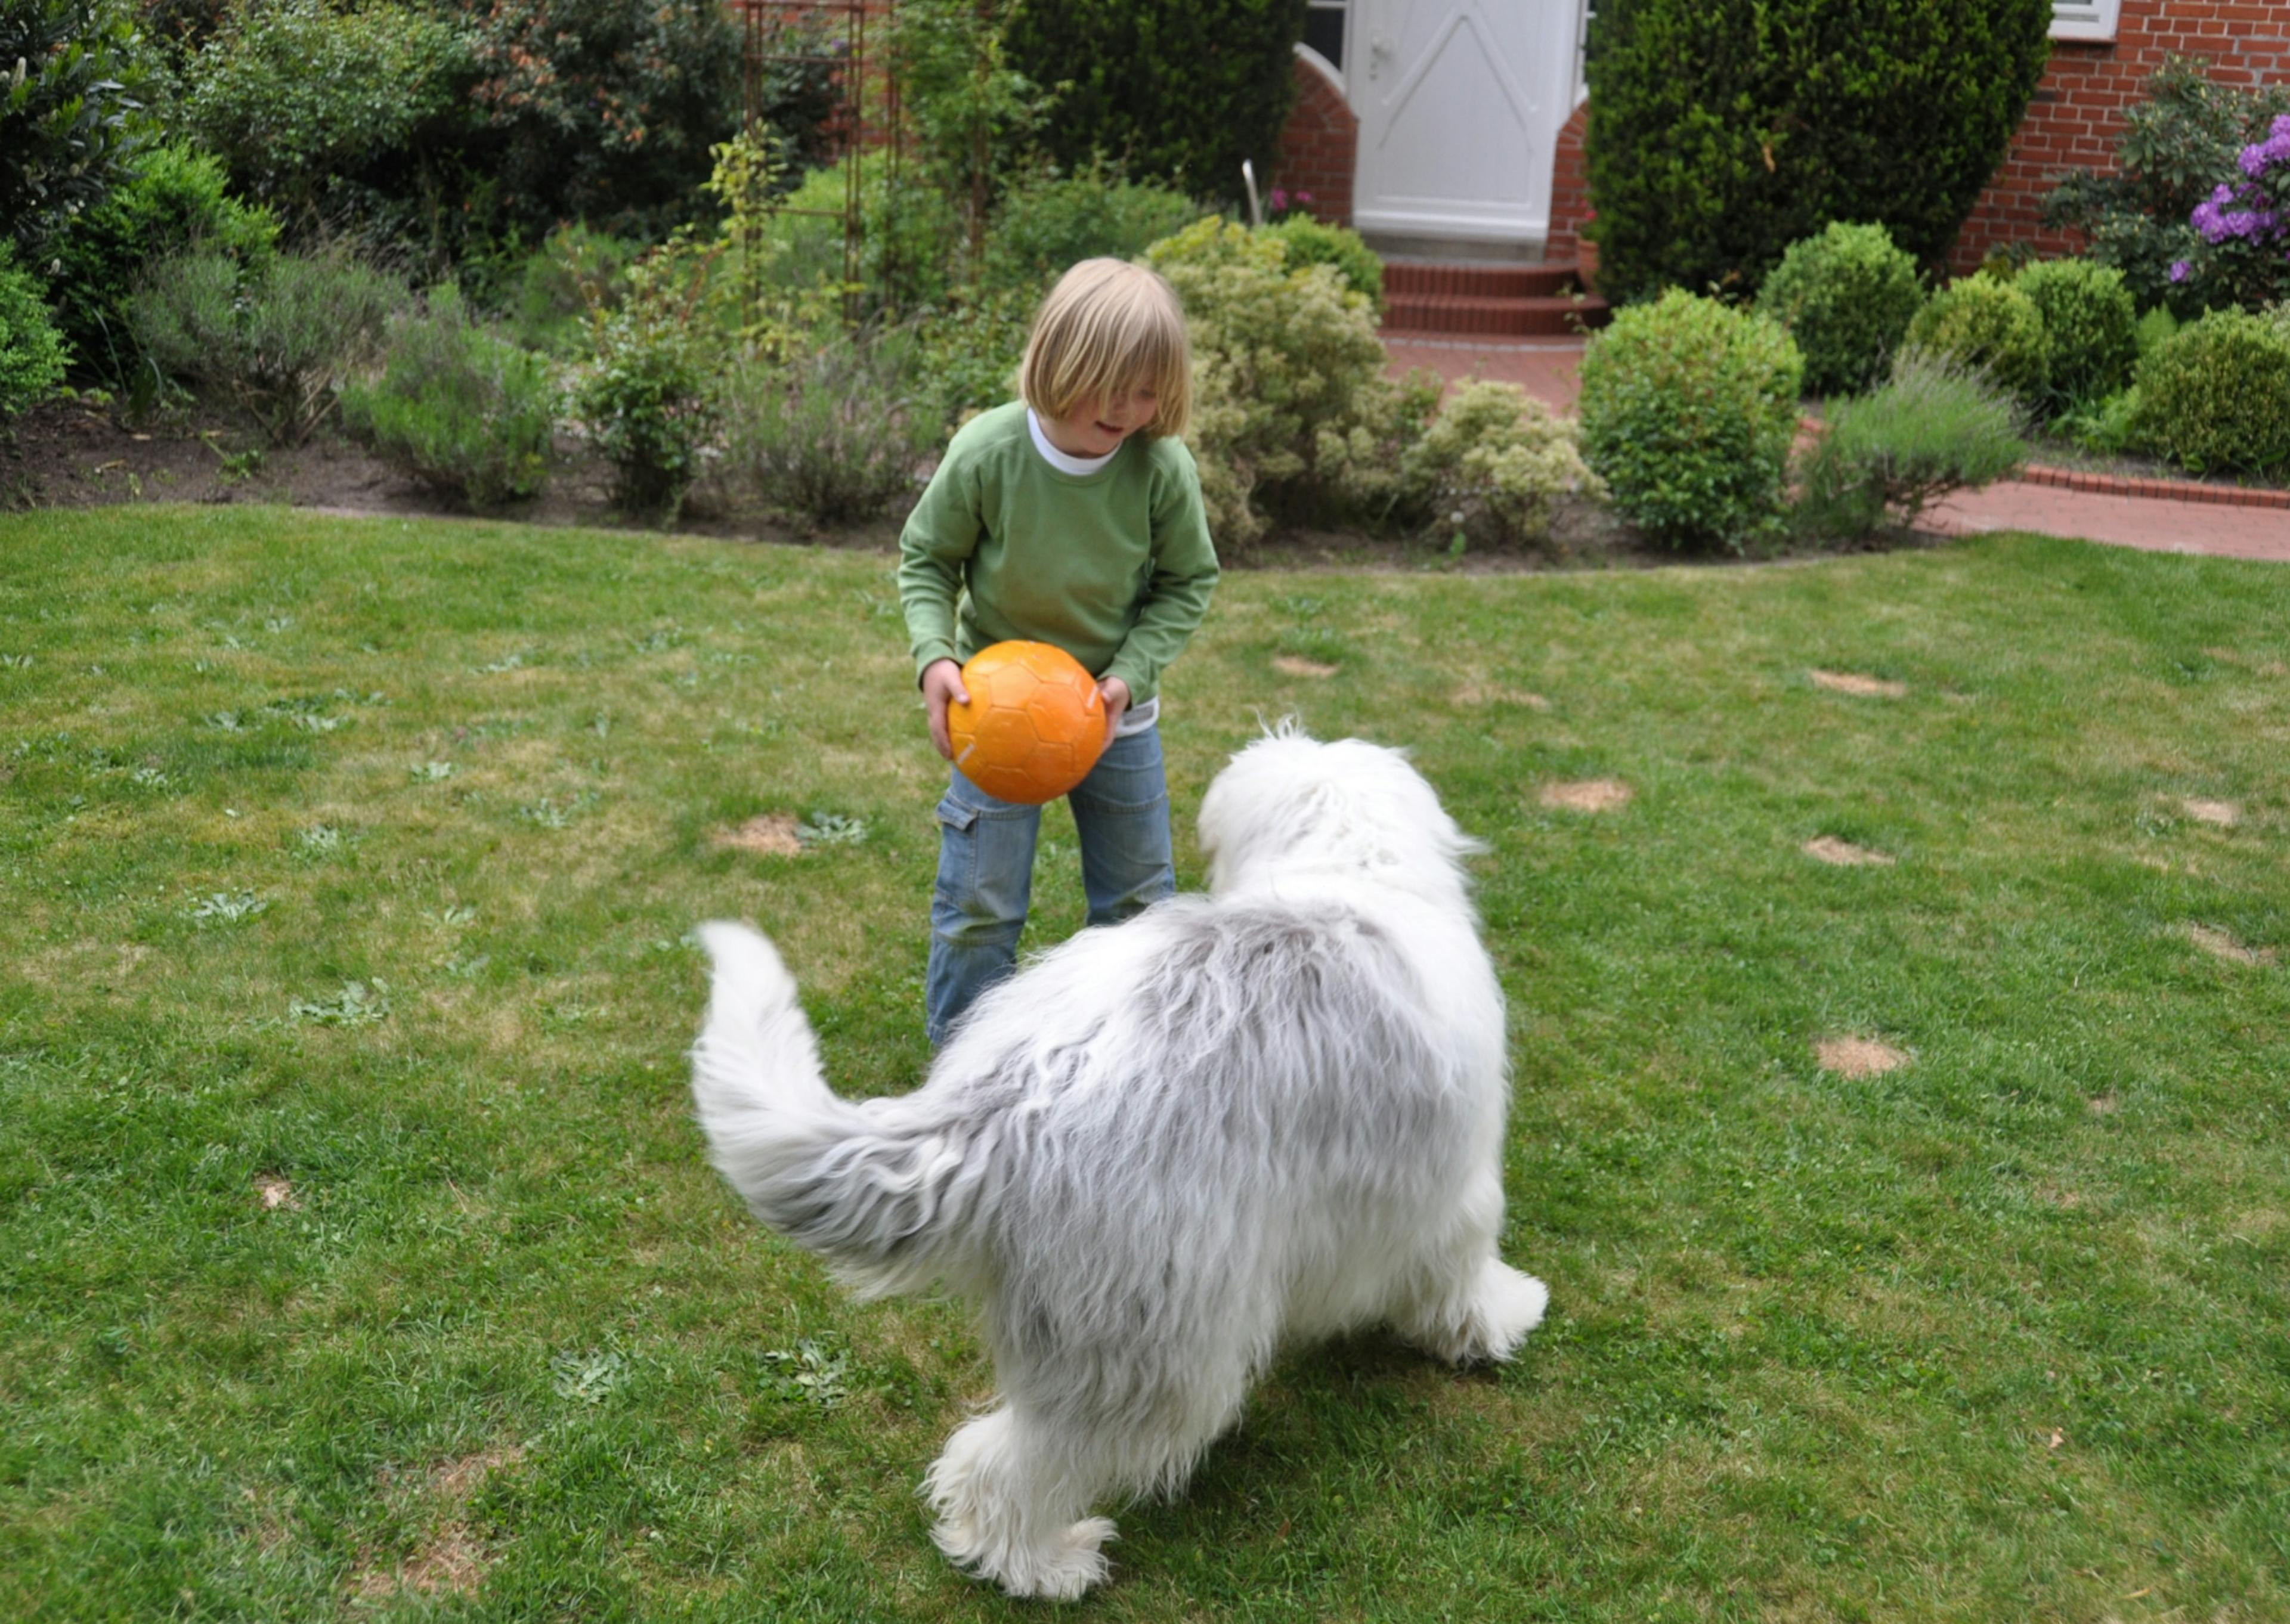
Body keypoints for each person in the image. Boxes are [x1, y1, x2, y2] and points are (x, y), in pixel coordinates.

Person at [898, 257, 1219, 1045]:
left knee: (1141, 904)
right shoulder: (989, 452)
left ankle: (1132, 1063)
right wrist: (937, 658)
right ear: (1056, 364)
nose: (1126, 409)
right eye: (1107, 386)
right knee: (982, 904)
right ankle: (965, 1074)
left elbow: (1188, 581)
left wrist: (1127, 678)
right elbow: (927, 559)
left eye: (1147, 391)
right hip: (996, 718)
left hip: (1117, 720)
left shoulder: (1159, 469)